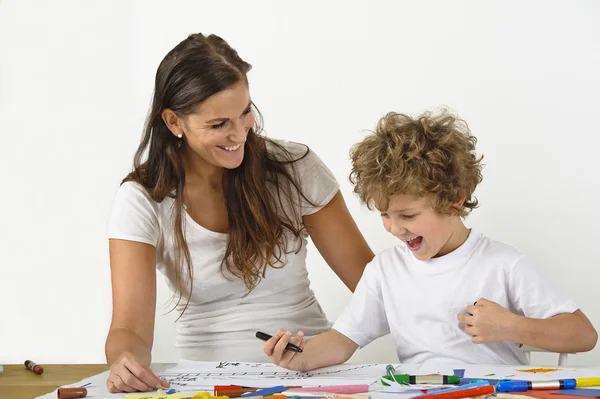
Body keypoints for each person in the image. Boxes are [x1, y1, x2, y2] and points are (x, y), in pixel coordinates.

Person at [105, 33, 374, 393]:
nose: (240, 134)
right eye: (218, 125)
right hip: (208, 381)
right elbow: (130, 330)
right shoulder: (143, 198)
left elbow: (376, 287)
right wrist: (125, 361)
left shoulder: (295, 169)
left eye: (245, 112)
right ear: (173, 123)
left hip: (312, 374)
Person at [263, 108, 598, 371]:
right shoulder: (385, 271)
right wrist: (299, 357)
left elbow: (583, 334)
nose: (394, 229)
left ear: (454, 199)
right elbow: (342, 340)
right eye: (385, 215)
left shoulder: (502, 264)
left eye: (408, 216)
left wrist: (512, 327)